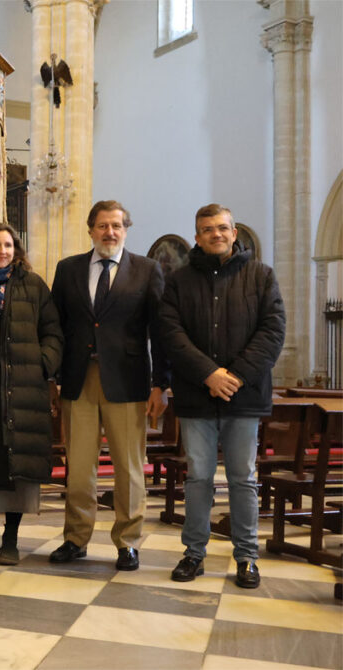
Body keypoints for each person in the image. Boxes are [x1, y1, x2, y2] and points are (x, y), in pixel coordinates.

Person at [159, 203, 285, 588]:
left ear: (234, 233)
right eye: (208, 229)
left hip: (244, 397)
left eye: (223, 228)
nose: (216, 234)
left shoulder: (261, 276)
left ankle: (247, 557)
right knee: (198, 477)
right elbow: (171, 334)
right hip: (197, 396)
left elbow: (272, 332)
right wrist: (209, 374)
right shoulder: (179, 281)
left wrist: (235, 376)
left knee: (243, 478)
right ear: (197, 236)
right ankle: (194, 553)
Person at [48, 200, 169, 571]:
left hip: (129, 381)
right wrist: (52, 377)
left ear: (126, 229)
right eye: (102, 226)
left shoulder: (147, 271)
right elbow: (55, 327)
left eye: (116, 225)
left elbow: (160, 333)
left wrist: (160, 384)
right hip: (78, 379)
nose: (109, 232)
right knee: (80, 468)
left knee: (129, 468)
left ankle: (128, 542)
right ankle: (75, 538)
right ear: (91, 230)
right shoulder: (68, 269)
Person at [0, 224, 63, 565]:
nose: (2, 251)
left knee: (18, 467)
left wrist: (41, 365)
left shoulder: (33, 286)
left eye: (8, 245)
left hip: (24, 388)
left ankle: (11, 541)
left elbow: (53, 332)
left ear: (16, 249)